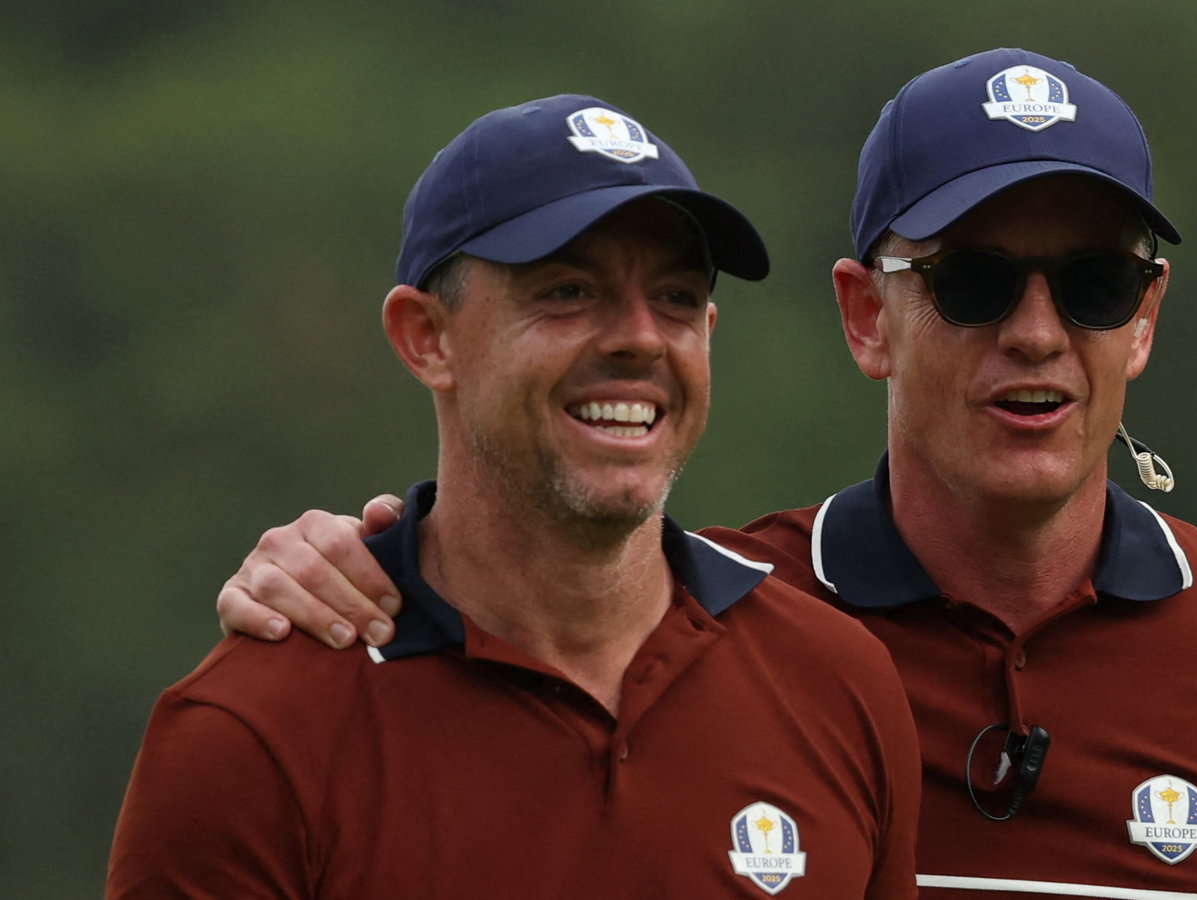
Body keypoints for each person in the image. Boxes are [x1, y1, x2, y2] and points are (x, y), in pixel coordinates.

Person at [217, 50, 1197, 899]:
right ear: (865, 315)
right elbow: (515, 562)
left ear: (1142, 319)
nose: (1037, 335)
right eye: (974, 282)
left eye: (1093, 284)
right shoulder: (724, 632)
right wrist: (347, 563)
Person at [108, 94, 923, 899]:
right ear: (427, 338)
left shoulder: (837, 681)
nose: (639, 336)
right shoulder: (250, 736)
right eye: (568, 291)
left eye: (674, 297)